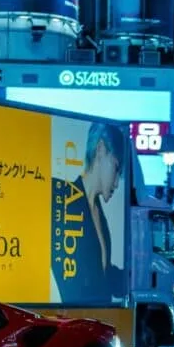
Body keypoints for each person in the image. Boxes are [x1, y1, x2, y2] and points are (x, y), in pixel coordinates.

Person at [51, 123, 126, 304]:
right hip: (74, 318)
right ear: (100, 149)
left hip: (97, 318)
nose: (116, 184)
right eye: (116, 169)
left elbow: (102, 274)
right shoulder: (59, 195)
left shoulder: (100, 214)